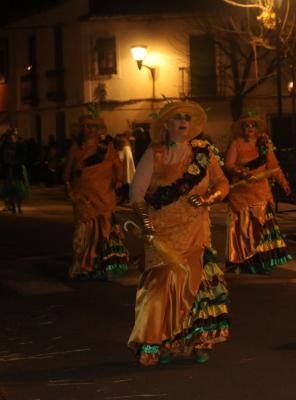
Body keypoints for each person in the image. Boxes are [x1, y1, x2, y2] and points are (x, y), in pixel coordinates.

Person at [128, 100, 230, 366]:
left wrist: (209, 199)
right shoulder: (155, 153)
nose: (183, 122)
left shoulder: (204, 152)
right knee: (158, 288)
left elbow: (222, 184)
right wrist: (146, 225)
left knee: (195, 286)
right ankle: (154, 341)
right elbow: (137, 193)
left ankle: (197, 341)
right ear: (166, 125)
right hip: (162, 231)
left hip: (196, 229)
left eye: (187, 117)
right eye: (177, 118)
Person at [224, 112, 292, 274]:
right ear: (242, 129)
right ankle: (240, 260)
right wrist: (241, 173)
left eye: (253, 125)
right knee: (242, 228)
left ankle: (262, 262)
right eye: (246, 125)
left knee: (261, 227)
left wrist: (284, 183)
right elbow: (228, 164)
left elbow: (273, 165)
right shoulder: (236, 144)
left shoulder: (264, 144)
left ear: (257, 129)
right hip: (241, 193)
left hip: (260, 192)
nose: (250, 128)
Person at [63, 115, 128, 280]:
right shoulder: (75, 148)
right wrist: (69, 187)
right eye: (85, 126)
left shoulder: (107, 148)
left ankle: (103, 265)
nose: (89, 130)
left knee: (104, 228)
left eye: (92, 127)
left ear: (99, 130)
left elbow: (117, 166)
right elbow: (68, 171)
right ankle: (83, 265)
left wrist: (119, 181)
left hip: (104, 194)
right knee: (84, 229)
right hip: (83, 196)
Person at [0, 130, 30, 214]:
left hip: (16, 168)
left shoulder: (19, 146)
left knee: (18, 189)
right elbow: (4, 157)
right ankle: (13, 207)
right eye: (11, 136)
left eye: (14, 136)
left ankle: (18, 207)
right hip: (9, 168)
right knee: (11, 189)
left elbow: (23, 155)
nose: (12, 138)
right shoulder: (6, 147)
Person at [115, 133, 136, 205]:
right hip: (125, 164)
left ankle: (126, 197)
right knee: (127, 180)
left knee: (126, 180)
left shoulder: (124, 144)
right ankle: (126, 197)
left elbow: (122, 156)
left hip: (125, 164)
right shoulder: (127, 144)